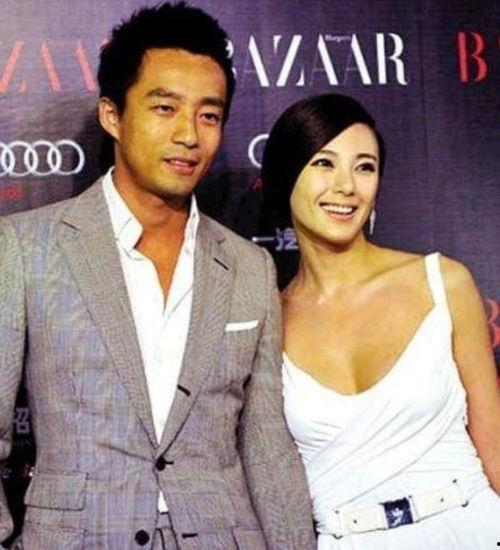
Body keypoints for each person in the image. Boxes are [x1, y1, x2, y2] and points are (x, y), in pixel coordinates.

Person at [0, 4, 316, 549]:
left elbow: (266, 445)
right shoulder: (27, 248)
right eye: (165, 108)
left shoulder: (249, 266)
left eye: (209, 115)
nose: (189, 134)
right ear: (112, 115)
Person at [260, 93, 500, 549]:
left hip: (474, 529)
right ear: (286, 175)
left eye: (364, 167)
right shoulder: (268, 321)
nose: (347, 186)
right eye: (324, 163)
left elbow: (495, 448)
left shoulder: (442, 282)